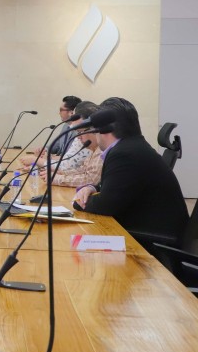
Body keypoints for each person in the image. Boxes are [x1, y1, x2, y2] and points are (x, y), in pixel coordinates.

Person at [73, 97, 188, 254]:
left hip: (157, 245)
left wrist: (78, 202)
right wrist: (91, 188)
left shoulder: (124, 153)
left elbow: (106, 205)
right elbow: (116, 185)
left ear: (104, 129)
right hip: (155, 232)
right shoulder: (132, 146)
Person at [30, 101, 101, 187]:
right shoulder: (93, 149)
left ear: (93, 129)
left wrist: (58, 178)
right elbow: (82, 170)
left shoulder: (101, 150)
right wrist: (58, 173)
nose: (78, 137)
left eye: (80, 132)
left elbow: (90, 179)